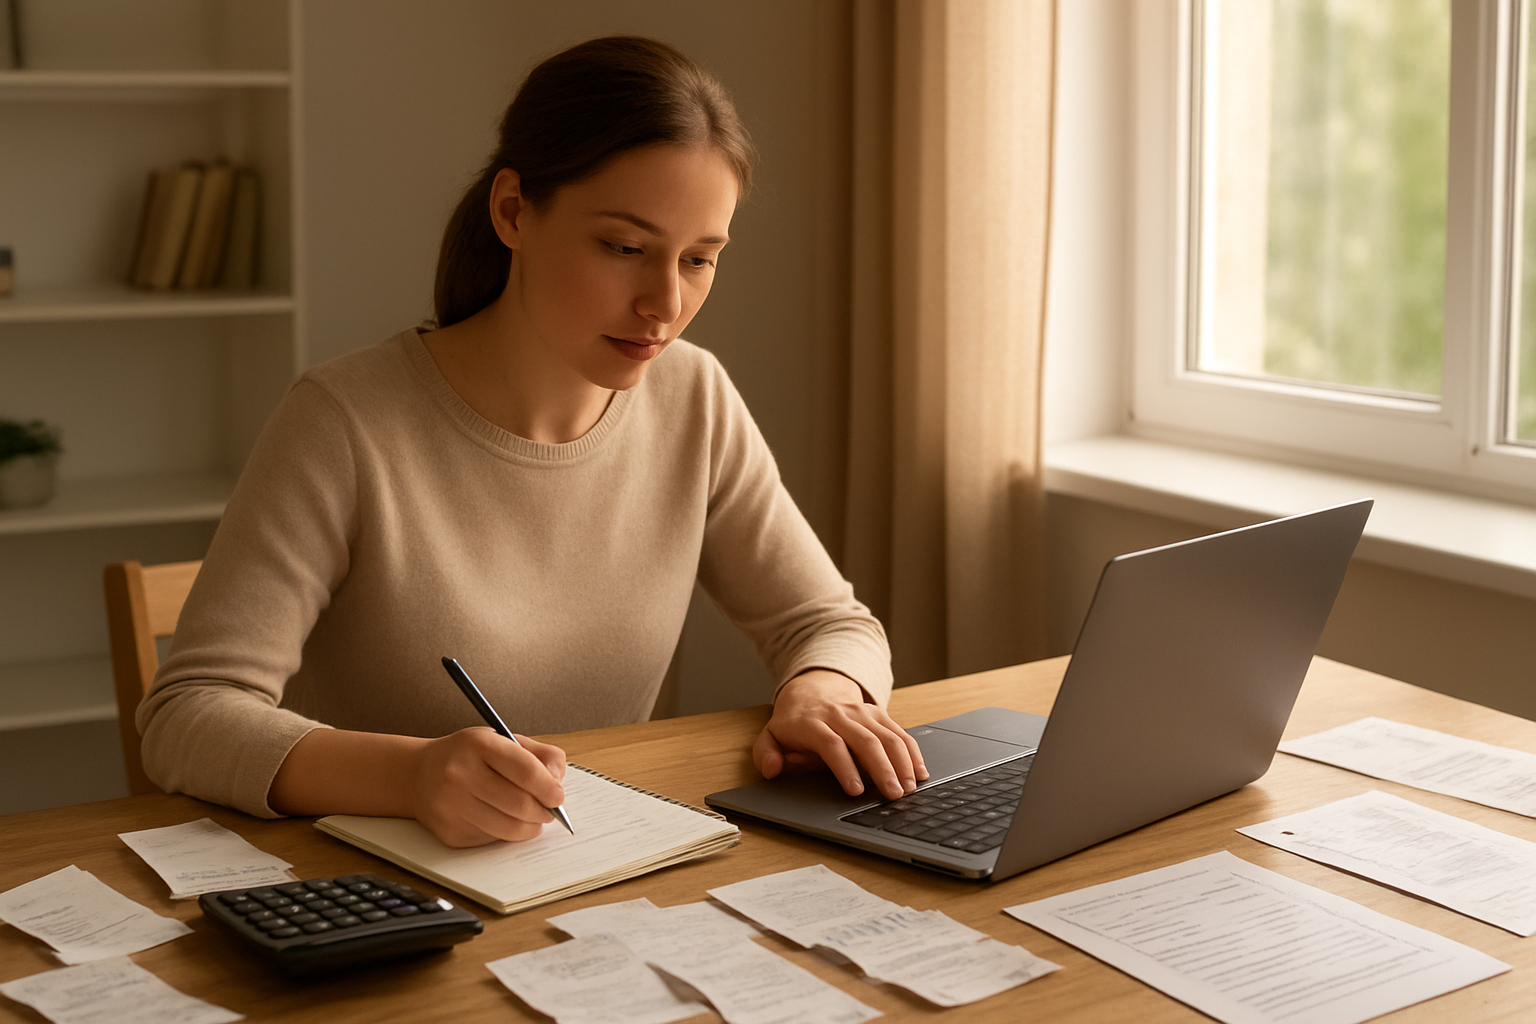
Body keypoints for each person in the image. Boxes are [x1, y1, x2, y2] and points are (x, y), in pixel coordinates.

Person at [138, 35, 925, 848]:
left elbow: (828, 621)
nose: (665, 302)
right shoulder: (343, 420)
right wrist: (410, 778)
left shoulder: (694, 397)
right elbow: (188, 714)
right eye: (624, 248)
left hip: (597, 871)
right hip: (375, 896)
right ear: (513, 211)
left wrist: (823, 693)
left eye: (699, 259)